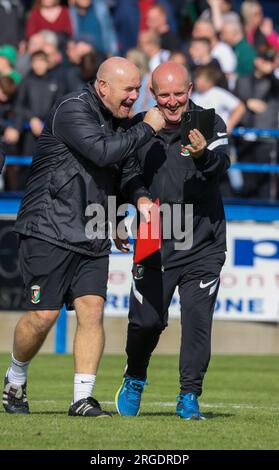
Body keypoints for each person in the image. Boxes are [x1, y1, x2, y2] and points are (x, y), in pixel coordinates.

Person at [2, 56, 165, 417]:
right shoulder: (72, 109)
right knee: (43, 316)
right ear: (103, 86)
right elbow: (104, 151)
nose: (135, 97)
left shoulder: (118, 120)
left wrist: (135, 202)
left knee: (92, 311)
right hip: (49, 227)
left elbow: (123, 172)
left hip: (92, 231)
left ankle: (82, 398)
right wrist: (148, 128)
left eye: (139, 89)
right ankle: (15, 379)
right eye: (129, 89)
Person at [115, 61, 230, 420]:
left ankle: (189, 396)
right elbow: (127, 174)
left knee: (197, 322)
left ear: (191, 90)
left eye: (179, 93)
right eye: (164, 95)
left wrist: (203, 155)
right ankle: (135, 376)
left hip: (204, 242)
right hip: (154, 238)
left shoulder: (210, 122)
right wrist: (135, 202)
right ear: (152, 94)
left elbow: (222, 167)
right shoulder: (139, 127)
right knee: (146, 322)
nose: (172, 101)